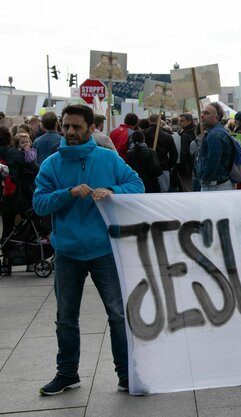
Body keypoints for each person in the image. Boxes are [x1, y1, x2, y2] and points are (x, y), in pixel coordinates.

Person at [32, 104, 144, 395]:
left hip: (104, 250)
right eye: (65, 126)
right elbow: (39, 203)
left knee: (118, 315)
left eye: (76, 127)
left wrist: (114, 192)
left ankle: (125, 374)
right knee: (66, 317)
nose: (69, 132)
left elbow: (137, 185)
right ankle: (67, 373)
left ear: (91, 128)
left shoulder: (109, 158)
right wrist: (66, 194)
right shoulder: (52, 164)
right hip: (67, 253)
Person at [196, 102, 234, 191]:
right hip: (216, 183)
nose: (202, 115)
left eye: (206, 113)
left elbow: (212, 160)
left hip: (214, 185)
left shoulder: (215, 134)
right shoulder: (217, 132)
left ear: (217, 117)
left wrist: (204, 179)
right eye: (202, 112)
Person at [142, 114, 177, 192]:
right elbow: (174, 154)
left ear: (149, 121)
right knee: (163, 192)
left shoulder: (143, 134)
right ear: (160, 121)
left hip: (147, 168)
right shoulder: (167, 136)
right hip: (163, 167)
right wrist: (169, 165)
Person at [175, 113, 196, 192]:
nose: (179, 122)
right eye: (179, 121)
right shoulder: (195, 131)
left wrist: (180, 167)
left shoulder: (185, 135)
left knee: (188, 189)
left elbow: (184, 152)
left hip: (186, 166)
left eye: (182, 121)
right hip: (195, 165)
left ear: (189, 121)